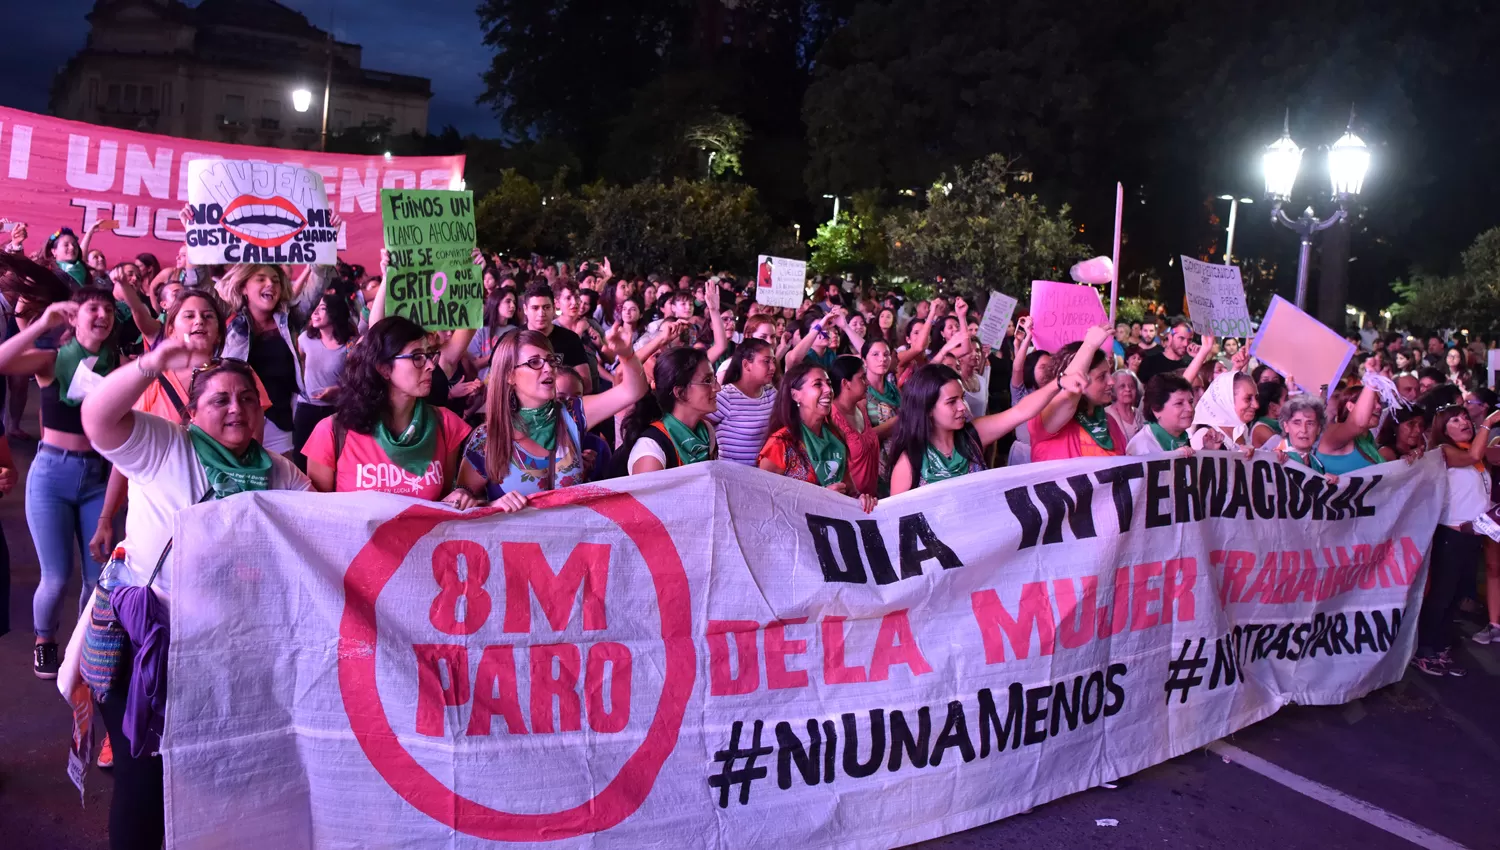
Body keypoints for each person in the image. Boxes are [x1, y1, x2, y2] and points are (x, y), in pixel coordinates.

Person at [79, 340, 311, 850]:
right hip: (146, 652)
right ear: (191, 411)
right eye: (220, 399)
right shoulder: (164, 446)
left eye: (247, 398)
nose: (236, 408)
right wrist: (152, 363)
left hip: (226, 658)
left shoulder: (279, 472)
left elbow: (322, 531)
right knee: (144, 782)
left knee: (213, 777)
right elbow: (96, 418)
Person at [0, 287, 121, 677]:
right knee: (54, 578)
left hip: (97, 477)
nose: (101, 314)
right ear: (76, 316)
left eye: (107, 308)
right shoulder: (52, 361)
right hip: (51, 474)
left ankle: (83, 645)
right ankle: (44, 640)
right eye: (92, 307)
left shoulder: (119, 367)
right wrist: (43, 322)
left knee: (95, 577)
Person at [458, 326, 646, 511]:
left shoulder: (573, 414)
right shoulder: (488, 437)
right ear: (510, 375)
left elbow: (633, 391)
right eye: (534, 362)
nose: (548, 368)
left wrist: (627, 355)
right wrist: (492, 505)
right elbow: (462, 504)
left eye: (551, 360)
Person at [303, 317, 475, 504]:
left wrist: (461, 497)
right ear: (384, 369)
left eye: (429, 355)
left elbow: (442, 503)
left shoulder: (445, 424)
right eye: (417, 357)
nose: (431, 366)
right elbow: (318, 517)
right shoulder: (331, 433)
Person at [888, 362, 1082, 494]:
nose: (962, 407)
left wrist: (1058, 384)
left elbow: (1021, 412)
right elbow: (895, 525)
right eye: (951, 402)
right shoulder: (909, 462)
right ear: (928, 409)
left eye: (962, 397)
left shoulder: (973, 436)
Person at [1412, 404, 1500, 676]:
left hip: (1473, 535)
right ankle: (1425, 651)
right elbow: (1476, 453)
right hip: (1450, 534)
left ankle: (1440, 649)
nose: (1464, 422)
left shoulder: (1473, 452)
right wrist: (1490, 421)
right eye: (1455, 420)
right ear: (1442, 428)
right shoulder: (1444, 452)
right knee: (1441, 595)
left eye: (1464, 417)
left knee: (1454, 598)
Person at [217, 263, 327, 453]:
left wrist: (325, 248)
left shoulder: (290, 319)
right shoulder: (228, 317)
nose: (270, 284)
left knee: (281, 481)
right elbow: (199, 285)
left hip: (279, 423)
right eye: (261, 279)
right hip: (235, 419)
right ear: (244, 287)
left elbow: (318, 285)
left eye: (275, 280)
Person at [756, 361, 876, 512]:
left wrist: (862, 499)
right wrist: (820, 498)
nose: (829, 390)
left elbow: (849, 490)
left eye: (829, 383)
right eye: (818, 385)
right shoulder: (780, 444)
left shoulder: (835, 436)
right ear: (795, 395)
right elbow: (763, 502)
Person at [1030, 326, 1124, 461]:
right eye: (1102, 376)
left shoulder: (1109, 422)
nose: (1111, 382)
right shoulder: (1046, 417)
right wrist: (1089, 346)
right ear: (1081, 379)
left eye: (1109, 373)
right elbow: (1067, 396)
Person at [621, 347, 718, 474]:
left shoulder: (706, 431)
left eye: (714, 379)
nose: (717, 388)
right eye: (707, 381)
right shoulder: (651, 450)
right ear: (680, 392)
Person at [293, 292, 357, 455]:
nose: (314, 313)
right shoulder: (304, 339)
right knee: (301, 456)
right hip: (306, 408)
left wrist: (338, 390)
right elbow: (296, 365)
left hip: (336, 410)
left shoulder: (350, 344)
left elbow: (357, 379)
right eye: (314, 308)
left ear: (335, 313)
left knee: (332, 456)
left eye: (321, 309)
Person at [707, 338, 777, 466]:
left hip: (764, 477)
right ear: (746, 365)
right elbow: (698, 428)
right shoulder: (726, 397)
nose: (773, 367)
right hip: (732, 477)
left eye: (774, 361)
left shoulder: (771, 393)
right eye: (766, 361)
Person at [828, 355, 880, 496]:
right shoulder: (832, 418)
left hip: (871, 498)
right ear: (846, 383)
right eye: (862, 378)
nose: (868, 382)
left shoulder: (861, 407)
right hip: (850, 501)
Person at [1315, 383, 1383, 474]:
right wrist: (1372, 381)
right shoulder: (1333, 434)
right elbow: (1357, 423)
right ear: (1350, 406)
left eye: (1379, 402)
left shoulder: (1367, 437)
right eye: (1371, 403)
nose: (1379, 407)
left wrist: (1404, 462)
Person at [1126, 374, 1197, 456]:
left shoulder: (1182, 437)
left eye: (1191, 402)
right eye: (1179, 403)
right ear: (1156, 409)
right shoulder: (1141, 447)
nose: (1190, 409)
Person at [1189, 371, 1257, 451]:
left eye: (1256, 398)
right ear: (1227, 400)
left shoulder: (1241, 427)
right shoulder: (1204, 434)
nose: (1256, 405)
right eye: (1248, 399)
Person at [862, 339, 902, 435]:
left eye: (886, 354)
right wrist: (897, 420)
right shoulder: (861, 392)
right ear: (864, 361)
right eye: (875, 354)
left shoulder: (894, 390)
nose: (882, 359)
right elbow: (864, 437)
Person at [1136, 319, 1193, 386]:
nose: (1185, 344)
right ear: (1170, 337)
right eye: (1181, 338)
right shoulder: (1150, 362)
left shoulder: (1191, 364)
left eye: (1189, 340)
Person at [1106, 369, 1144, 443]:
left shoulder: (1139, 414)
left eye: (1131, 386)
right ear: (1113, 391)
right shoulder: (1106, 415)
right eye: (1122, 386)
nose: (1128, 389)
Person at [1250, 379, 1287, 448]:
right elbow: (1292, 452)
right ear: (1273, 407)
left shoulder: (1276, 426)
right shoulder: (1261, 430)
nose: (1290, 403)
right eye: (1286, 399)